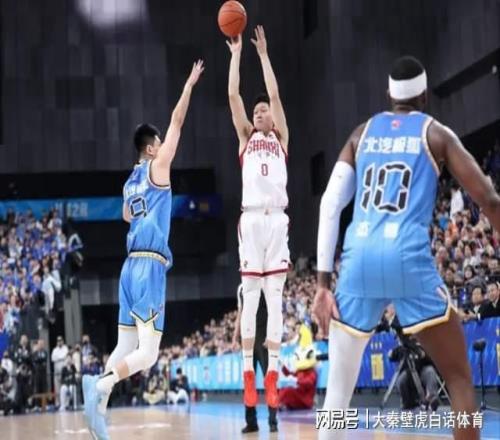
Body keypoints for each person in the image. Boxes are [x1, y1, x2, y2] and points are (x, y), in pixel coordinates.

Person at [313, 55, 500, 440]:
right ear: (425, 97)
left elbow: (330, 204)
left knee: (337, 394)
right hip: (407, 258)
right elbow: (489, 198)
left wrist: (321, 284)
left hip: (358, 260)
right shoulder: (436, 134)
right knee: (459, 378)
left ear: (389, 95)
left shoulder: (361, 133)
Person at [82, 60, 204, 440]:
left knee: (125, 344)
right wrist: (188, 85)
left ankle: (98, 414)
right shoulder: (156, 168)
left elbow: (125, 215)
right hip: (149, 265)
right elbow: (178, 122)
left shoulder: (128, 184)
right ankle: (100, 385)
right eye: (160, 144)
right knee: (148, 354)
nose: (164, 147)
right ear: (151, 148)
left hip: (128, 267)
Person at [226, 25, 289, 412]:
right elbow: (233, 95)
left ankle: (273, 375)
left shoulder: (281, 139)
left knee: (275, 299)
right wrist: (236, 55)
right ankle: (249, 372)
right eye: (256, 111)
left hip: (278, 220)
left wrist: (263, 55)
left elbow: (275, 94)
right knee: (250, 297)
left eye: (263, 110)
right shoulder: (246, 139)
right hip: (250, 221)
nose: (259, 112)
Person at [233, 284, 278, 433]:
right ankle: (251, 423)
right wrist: (235, 337)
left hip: (264, 339)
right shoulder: (241, 289)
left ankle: (273, 422)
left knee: (270, 381)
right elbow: (240, 313)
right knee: (248, 382)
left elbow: (273, 310)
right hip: (248, 342)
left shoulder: (266, 284)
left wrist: (272, 335)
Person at [51, 335, 68, 407]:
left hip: (64, 371)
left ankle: (65, 403)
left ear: (63, 341)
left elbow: (65, 356)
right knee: (57, 387)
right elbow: (53, 358)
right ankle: (58, 403)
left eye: (60, 340)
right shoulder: (55, 350)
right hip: (57, 371)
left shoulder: (65, 348)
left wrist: (58, 358)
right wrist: (61, 358)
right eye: (58, 341)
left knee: (64, 387)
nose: (59, 342)